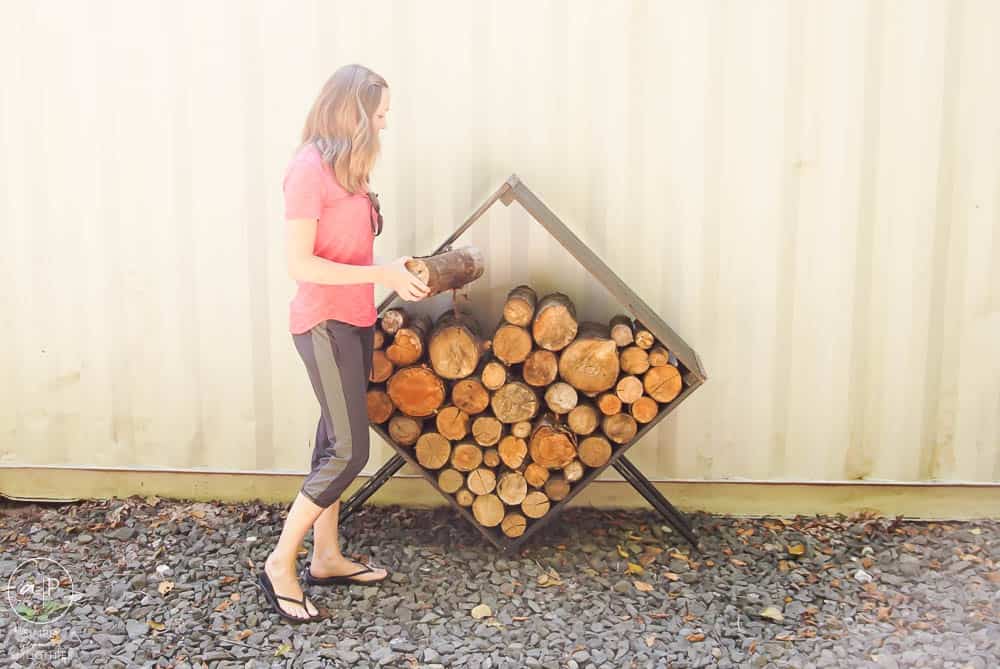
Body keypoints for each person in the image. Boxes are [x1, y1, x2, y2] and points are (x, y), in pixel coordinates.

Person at [256, 64, 430, 623]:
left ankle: (326, 556)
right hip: (324, 323)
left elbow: (353, 253)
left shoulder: (348, 172)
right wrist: (382, 276)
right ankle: (282, 563)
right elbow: (299, 264)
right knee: (350, 450)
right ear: (352, 114)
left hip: (354, 320)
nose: (384, 124)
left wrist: (390, 269)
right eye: (378, 114)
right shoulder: (307, 170)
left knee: (333, 439)